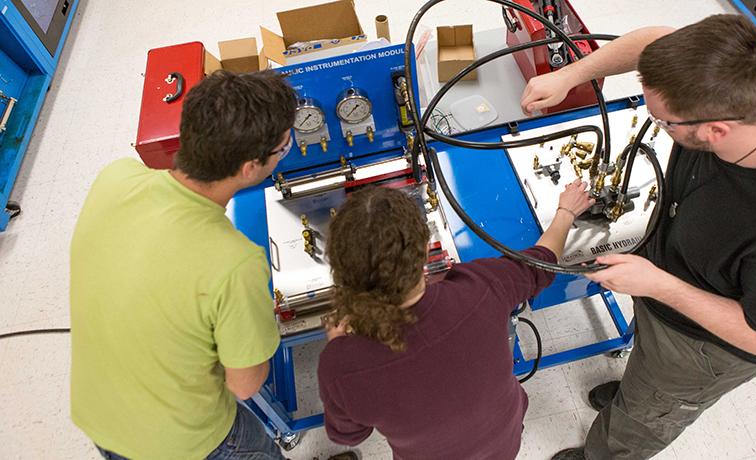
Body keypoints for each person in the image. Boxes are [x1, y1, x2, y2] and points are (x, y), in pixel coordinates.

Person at [521, 14, 756, 460]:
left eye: (664, 122)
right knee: (644, 377)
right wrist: (570, 75)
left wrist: (660, 285)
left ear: (717, 130)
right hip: (672, 279)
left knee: (648, 413)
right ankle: (638, 389)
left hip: (701, 344)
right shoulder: (743, 85)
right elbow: (655, 42)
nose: (657, 124)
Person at [71, 70, 296, 459]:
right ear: (249, 168)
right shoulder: (235, 263)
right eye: (283, 147)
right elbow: (244, 385)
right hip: (185, 444)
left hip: (99, 419)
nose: (285, 150)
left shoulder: (115, 177)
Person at [317, 180, 594, 458]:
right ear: (425, 250)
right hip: (504, 445)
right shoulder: (482, 286)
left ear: (341, 273)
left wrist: (339, 345)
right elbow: (542, 262)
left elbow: (348, 435)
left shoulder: (340, 366)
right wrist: (566, 213)